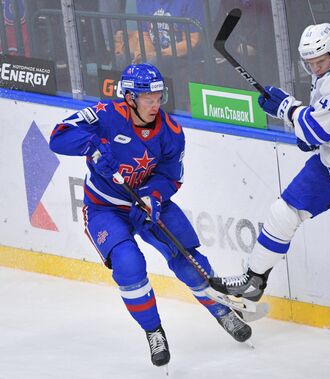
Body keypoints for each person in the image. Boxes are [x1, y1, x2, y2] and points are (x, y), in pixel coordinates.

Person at [210, 23, 330, 355]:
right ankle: (254, 281)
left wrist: (286, 107)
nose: (314, 68)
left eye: (319, 61)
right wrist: (300, 117)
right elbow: (316, 129)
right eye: (309, 63)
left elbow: (315, 131)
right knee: (282, 213)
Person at [49, 63, 251, 368]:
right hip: (104, 207)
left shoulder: (170, 131)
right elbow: (59, 136)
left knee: (188, 260)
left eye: (158, 97)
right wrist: (92, 146)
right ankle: (154, 331)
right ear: (129, 97)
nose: (155, 105)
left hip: (147, 204)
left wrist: (153, 195)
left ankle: (223, 312)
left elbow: (171, 176)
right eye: (148, 99)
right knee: (128, 264)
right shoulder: (105, 114)